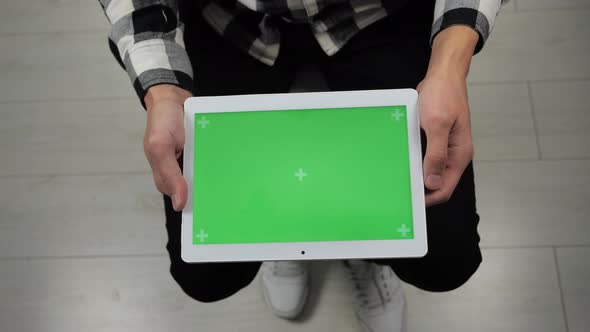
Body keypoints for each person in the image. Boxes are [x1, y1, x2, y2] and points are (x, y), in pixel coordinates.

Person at [99, 0, 504, 330]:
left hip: (378, 15)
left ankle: (359, 245)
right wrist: (164, 92)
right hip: (228, 23)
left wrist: (450, 66)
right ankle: (286, 227)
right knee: (206, 276)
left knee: (446, 263)